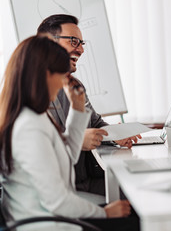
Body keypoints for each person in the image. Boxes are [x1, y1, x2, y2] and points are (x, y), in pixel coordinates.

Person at [0, 35, 139, 230]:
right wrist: (105, 213)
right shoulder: (30, 127)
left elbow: (67, 157)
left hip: (51, 216)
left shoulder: (33, 116)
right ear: (44, 74)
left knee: (134, 213)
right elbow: (58, 202)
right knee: (137, 219)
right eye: (60, 75)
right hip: (46, 223)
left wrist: (77, 109)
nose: (61, 85)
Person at [37, 14, 140, 197]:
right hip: (58, 191)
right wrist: (75, 140)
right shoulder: (27, 89)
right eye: (74, 41)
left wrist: (116, 135)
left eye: (81, 43)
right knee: (135, 203)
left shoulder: (75, 85)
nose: (81, 50)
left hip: (86, 181)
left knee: (140, 190)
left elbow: (95, 122)